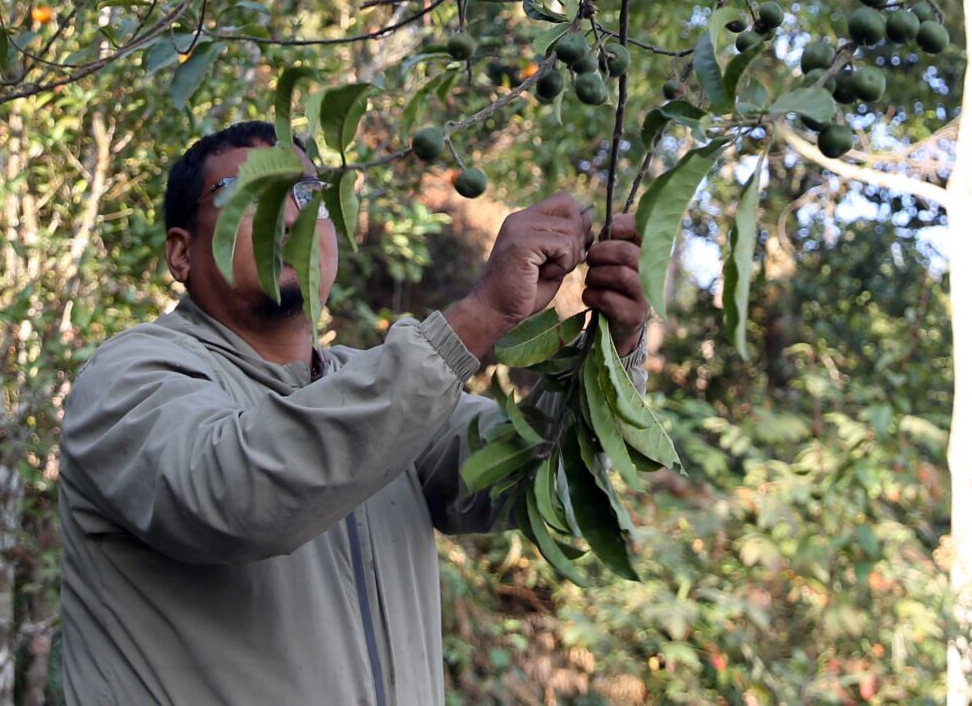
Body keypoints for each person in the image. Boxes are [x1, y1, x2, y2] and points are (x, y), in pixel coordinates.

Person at [57, 120, 651, 705]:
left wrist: (611, 349)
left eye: (306, 193)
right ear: (181, 253)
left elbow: (534, 475)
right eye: (249, 194)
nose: (289, 217)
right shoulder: (128, 377)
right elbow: (229, 492)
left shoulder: (375, 388)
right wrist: (479, 317)